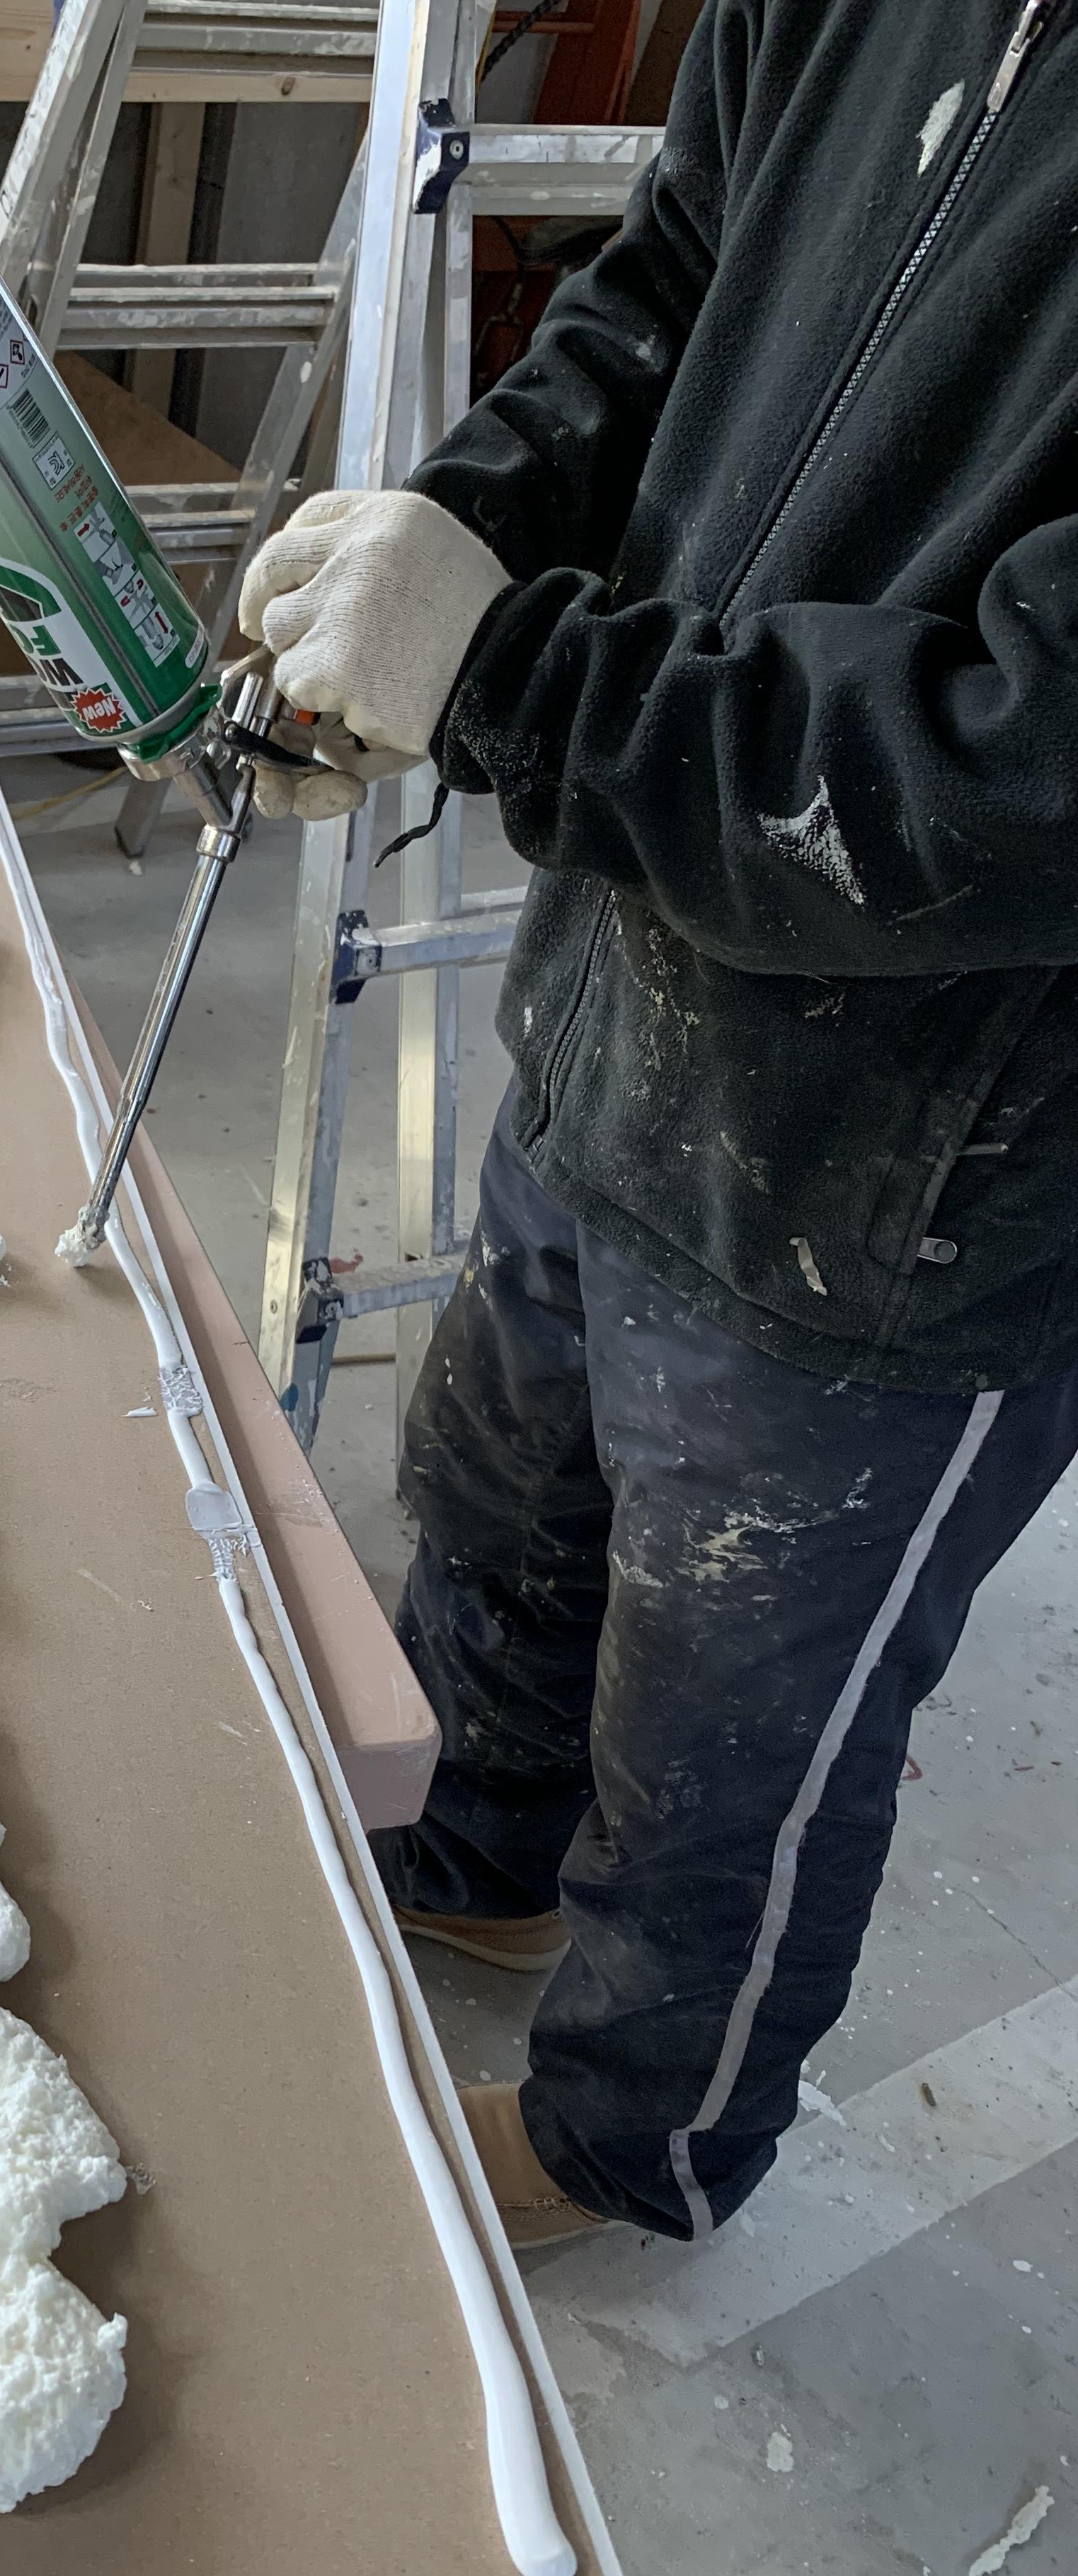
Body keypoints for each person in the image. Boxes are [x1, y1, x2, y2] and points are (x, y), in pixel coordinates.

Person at [235, 0, 1078, 2247]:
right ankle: (475, 1851)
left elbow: (1032, 760)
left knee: (734, 1728)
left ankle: (639, 2132)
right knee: (504, 1489)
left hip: (917, 1173)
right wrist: (446, 550)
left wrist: (515, 679)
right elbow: (676, 276)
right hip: (633, 982)